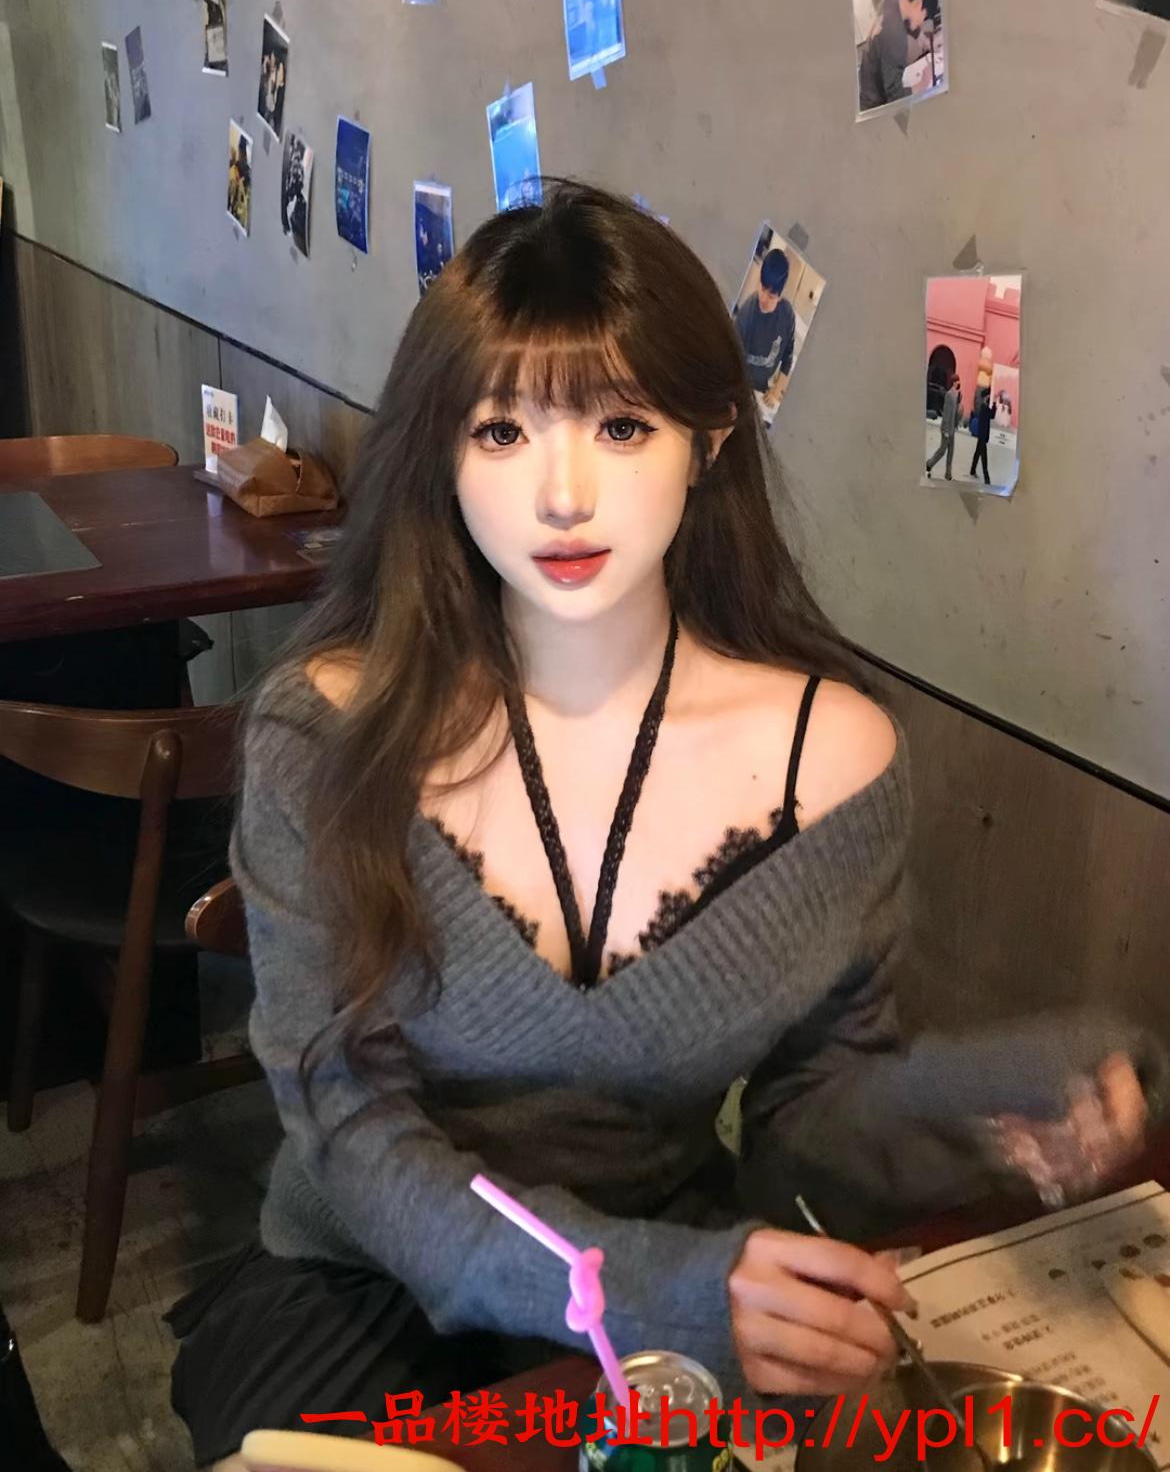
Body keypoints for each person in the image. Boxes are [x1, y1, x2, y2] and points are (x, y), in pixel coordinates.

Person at [166, 183, 1164, 1472]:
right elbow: (348, 1122)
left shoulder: (833, 757)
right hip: (369, 1284)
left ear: (710, 440)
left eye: (622, 424)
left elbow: (809, 1118)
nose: (562, 493)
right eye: (501, 430)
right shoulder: (327, 735)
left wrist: (997, 1093)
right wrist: (651, 1287)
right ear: (442, 454)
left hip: (680, 1266)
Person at [858, 0, 939, 112]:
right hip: (875, 106)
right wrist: (922, 83)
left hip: (866, 83)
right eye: (924, 17)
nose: (922, 23)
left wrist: (920, 37)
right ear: (919, 4)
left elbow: (905, 19)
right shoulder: (896, 40)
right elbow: (895, 97)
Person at [732, 247, 796, 396]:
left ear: (780, 296)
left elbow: (788, 356)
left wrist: (777, 390)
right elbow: (732, 358)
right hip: (740, 385)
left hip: (763, 389)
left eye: (771, 297)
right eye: (762, 288)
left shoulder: (787, 315)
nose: (763, 298)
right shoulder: (746, 313)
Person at [926, 373, 962, 480]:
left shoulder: (956, 394)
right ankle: (929, 464)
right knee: (942, 450)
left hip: (952, 428)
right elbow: (946, 413)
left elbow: (955, 412)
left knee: (951, 452)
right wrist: (945, 429)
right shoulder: (949, 394)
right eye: (957, 380)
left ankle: (948, 474)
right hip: (946, 428)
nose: (959, 382)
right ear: (954, 382)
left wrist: (956, 424)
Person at [970, 387, 998, 484]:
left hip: (982, 435)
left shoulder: (984, 406)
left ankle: (972, 470)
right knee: (984, 457)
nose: (989, 397)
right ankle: (987, 478)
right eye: (989, 396)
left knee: (977, 453)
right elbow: (992, 415)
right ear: (986, 397)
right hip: (982, 435)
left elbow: (991, 415)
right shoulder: (984, 407)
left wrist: (993, 404)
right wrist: (994, 403)